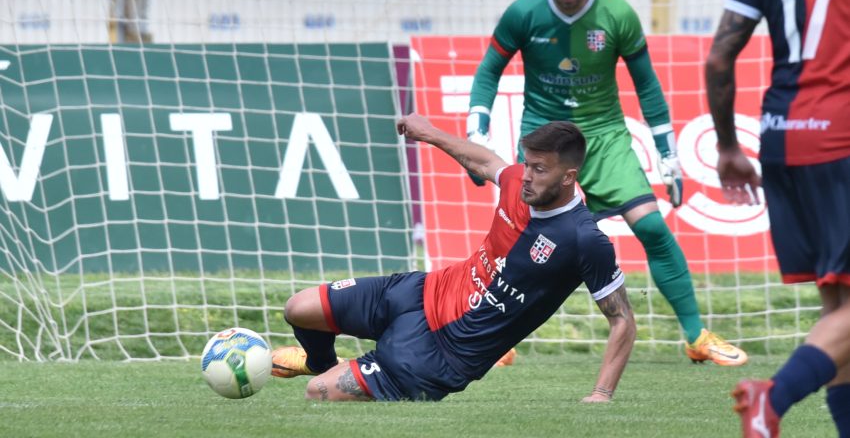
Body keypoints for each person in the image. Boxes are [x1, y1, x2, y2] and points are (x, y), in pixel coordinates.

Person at [467, 0, 746, 366]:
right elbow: (487, 73)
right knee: (521, 246)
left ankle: (696, 336)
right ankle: (493, 337)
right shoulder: (523, 14)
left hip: (606, 139)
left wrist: (668, 154)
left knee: (652, 227)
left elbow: (648, 87)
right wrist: (476, 131)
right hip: (547, 144)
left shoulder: (617, 13)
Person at [271, 113, 636, 402]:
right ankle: (320, 362)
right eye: (527, 164)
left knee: (317, 392)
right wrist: (428, 132)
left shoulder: (584, 239)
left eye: (539, 170)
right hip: (419, 292)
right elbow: (484, 161)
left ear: (569, 176)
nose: (526, 177)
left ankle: (339, 373)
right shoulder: (517, 184)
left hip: (438, 355)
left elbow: (622, 321)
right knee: (298, 308)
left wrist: (601, 394)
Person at [704, 0, 850, 435]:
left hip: (783, 138)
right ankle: (773, 397)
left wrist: (726, 146)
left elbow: (719, 59)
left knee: (839, 313)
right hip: (842, 137)